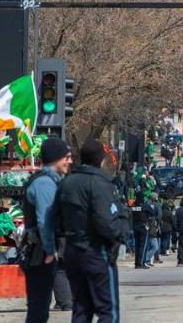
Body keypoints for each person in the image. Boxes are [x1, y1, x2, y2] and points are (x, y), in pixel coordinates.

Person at [57, 138, 130, 323]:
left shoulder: (67, 183)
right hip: (96, 250)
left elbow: (56, 218)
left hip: (72, 251)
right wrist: (119, 235)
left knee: (81, 309)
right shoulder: (100, 183)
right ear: (102, 160)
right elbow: (106, 221)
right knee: (108, 311)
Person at [22, 137, 72, 323]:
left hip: (40, 252)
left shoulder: (49, 181)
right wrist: (50, 250)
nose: (69, 161)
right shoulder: (45, 184)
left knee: (39, 308)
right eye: (66, 157)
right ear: (55, 158)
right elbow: (45, 220)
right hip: (40, 254)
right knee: (39, 310)